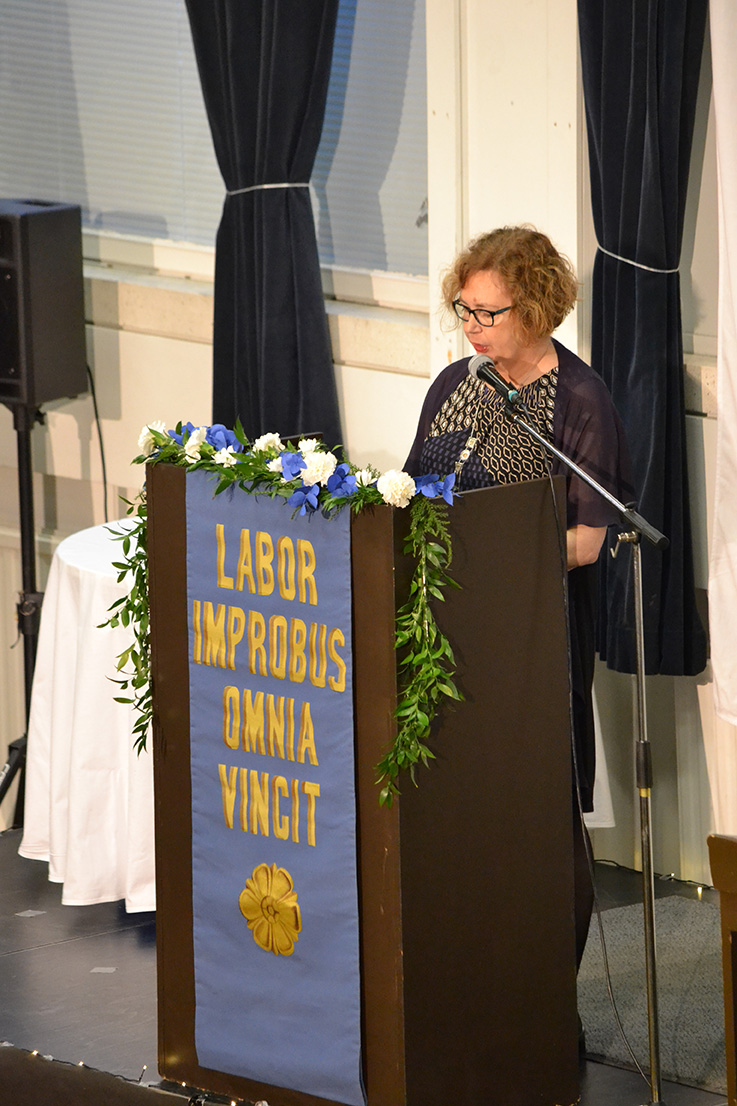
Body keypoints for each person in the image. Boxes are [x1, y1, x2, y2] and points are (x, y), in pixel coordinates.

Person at [405, 225, 633, 972]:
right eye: (463, 310)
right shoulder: (454, 385)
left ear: (533, 309)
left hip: (533, 631)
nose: (471, 327)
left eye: (487, 313)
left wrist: (491, 559)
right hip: (447, 626)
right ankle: (463, 975)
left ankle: (543, 991)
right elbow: (413, 496)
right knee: (456, 804)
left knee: (533, 809)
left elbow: (586, 542)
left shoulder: (581, 400)